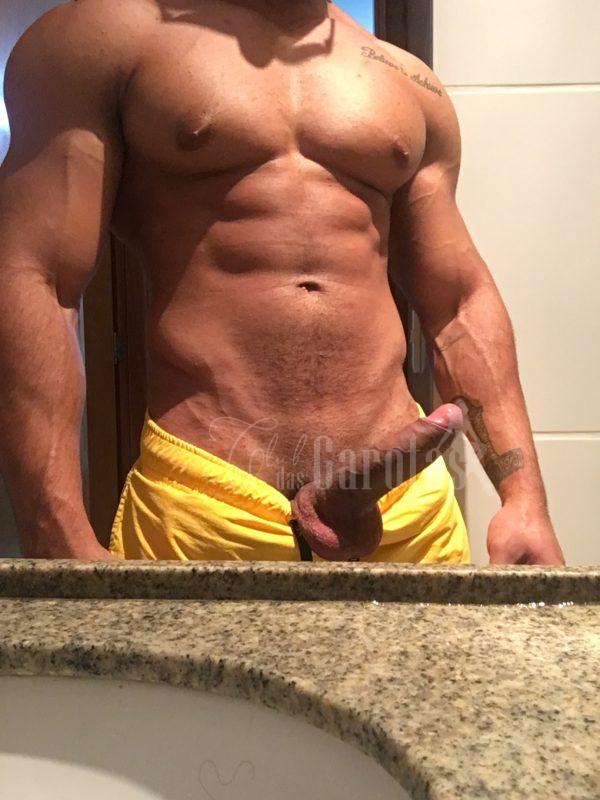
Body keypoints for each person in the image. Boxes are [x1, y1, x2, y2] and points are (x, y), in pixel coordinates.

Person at [0, 0, 564, 564]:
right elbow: (32, 272)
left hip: (404, 508)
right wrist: (55, 532)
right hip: (210, 507)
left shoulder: (407, 81)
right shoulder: (101, 38)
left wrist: (525, 500)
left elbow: (459, 303)